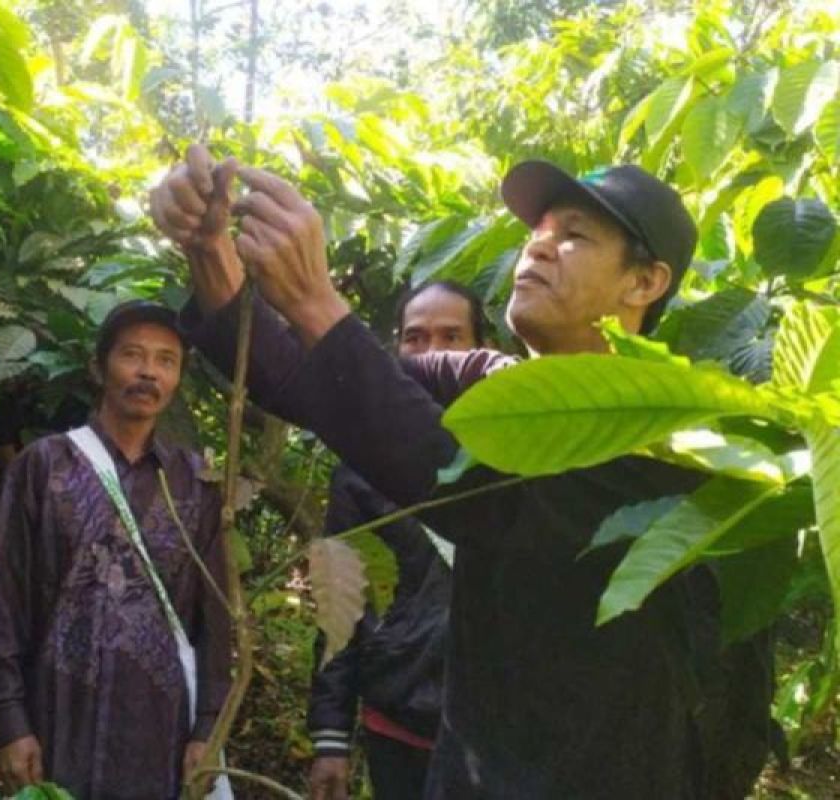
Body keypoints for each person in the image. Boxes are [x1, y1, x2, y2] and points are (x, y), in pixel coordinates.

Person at [150, 147, 773, 798]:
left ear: (644, 283)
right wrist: (210, 254)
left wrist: (315, 298)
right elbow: (312, 379)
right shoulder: (495, 384)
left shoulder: (665, 438)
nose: (536, 250)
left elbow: (468, 488)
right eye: (537, 235)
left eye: (575, 237)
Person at [0, 299, 233, 799]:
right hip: (56, 717)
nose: (148, 372)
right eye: (132, 355)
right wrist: (9, 720)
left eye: (166, 360)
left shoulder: (194, 484)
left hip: (159, 727)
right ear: (100, 367)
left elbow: (215, 618)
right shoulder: (44, 466)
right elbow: (2, 596)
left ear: (178, 378)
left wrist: (208, 728)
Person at [308, 282, 489, 800]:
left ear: (479, 347)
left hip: (498, 730)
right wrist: (330, 736)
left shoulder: (519, 450)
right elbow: (340, 604)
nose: (431, 352)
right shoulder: (361, 463)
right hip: (399, 722)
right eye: (415, 338)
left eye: (451, 336)